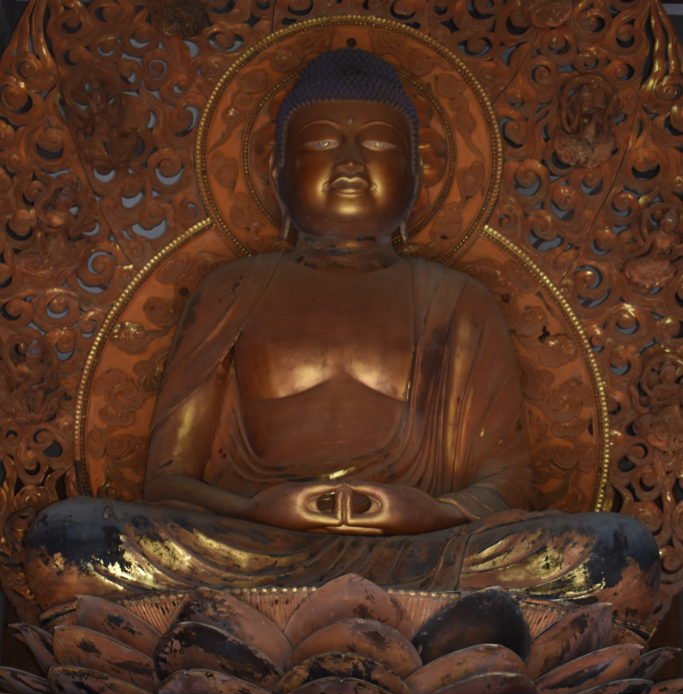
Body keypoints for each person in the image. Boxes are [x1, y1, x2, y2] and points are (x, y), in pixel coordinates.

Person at [24, 49, 660, 628]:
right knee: (70, 538)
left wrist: (430, 513)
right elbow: (166, 480)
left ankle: (260, 628)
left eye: (378, 144)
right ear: (278, 170)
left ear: (417, 171)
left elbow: (505, 480)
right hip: (254, 547)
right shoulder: (233, 288)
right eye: (324, 142)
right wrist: (263, 509)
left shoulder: (458, 299)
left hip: (424, 553)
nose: (352, 162)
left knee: (614, 552)